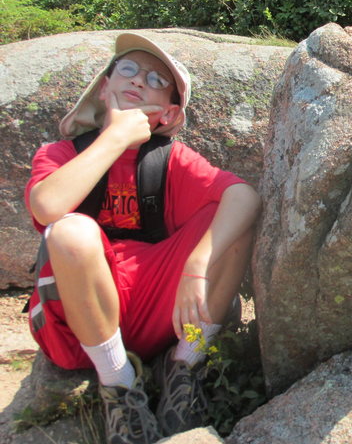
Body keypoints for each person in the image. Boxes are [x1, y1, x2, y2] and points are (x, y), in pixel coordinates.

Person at [25, 33, 262, 444]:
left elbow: (244, 196)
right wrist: (116, 137)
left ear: (167, 113)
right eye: (128, 70)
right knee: (71, 230)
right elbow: (47, 207)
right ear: (104, 87)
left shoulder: (170, 159)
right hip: (78, 323)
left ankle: (184, 367)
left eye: (155, 80)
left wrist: (197, 265)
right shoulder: (60, 154)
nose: (138, 80)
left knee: (227, 220)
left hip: (162, 317)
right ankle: (119, 387)